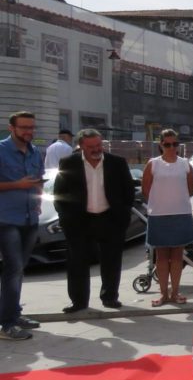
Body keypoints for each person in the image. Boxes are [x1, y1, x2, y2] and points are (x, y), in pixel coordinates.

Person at [53, 128, 136, 312]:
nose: (96, 149)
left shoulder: (117, 163)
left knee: (111, 261)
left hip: (110, 219)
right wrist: (65, 218)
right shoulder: (68, 163)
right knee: (77, 262)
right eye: (91, 146)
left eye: (99, 145)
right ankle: (79, 302)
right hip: (80, 221)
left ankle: (109, 297)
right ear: (81, 145)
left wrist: (123, 214)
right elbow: (59, 193)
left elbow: (128, 192)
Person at [0, 111, 44, 340]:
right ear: (12, 128)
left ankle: (14, 315)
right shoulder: (1, 150)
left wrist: (38, 194)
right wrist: (17, 184)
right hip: (7, 219)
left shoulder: (35, 151)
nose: (29, 131)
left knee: (18, 270)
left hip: (30, 218)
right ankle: (6, 324)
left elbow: (39, 178)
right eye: (24, 127)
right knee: (13, 268)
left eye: (32, 127)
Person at [142, 129, 193, 306]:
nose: (172, 147)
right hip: (158, 214)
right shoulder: (153, 164)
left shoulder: (186, 164)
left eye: (175, 144)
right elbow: (146, 190)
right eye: (167, 144)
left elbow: (190, 188)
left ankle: (175, 293)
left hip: (181, 213)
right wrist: (160, 202)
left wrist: (176, 201)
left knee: (178, 256)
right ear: (161, 145)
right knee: (162, 257)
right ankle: (164, 294)